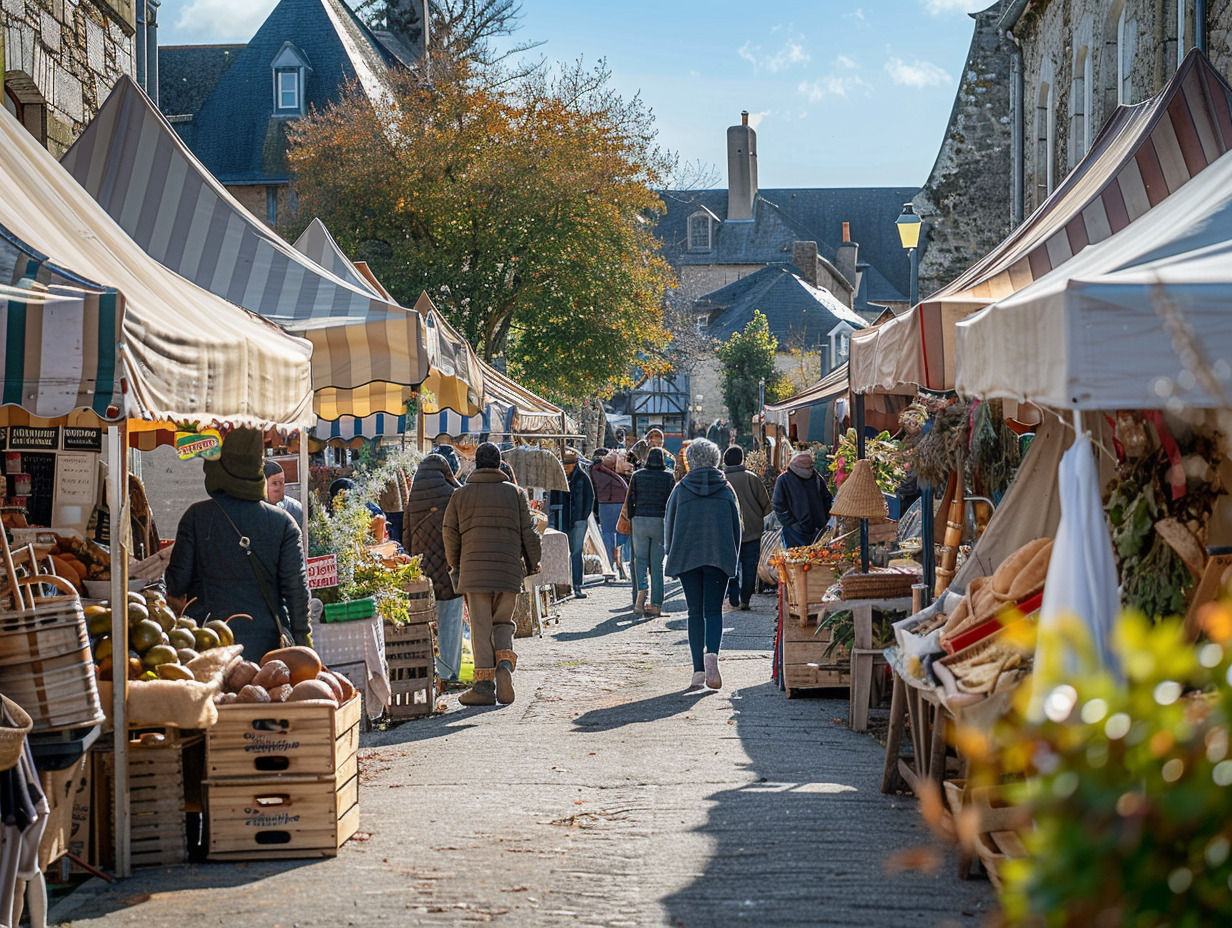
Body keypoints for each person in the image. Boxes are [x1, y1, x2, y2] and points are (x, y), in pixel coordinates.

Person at [166, 428, 310, 660]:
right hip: (267, 647)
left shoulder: (195, 516)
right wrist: (303, 640)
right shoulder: (284, 523)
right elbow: (296, 591)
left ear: (219, 467)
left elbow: (176, 583)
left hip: (206, 642)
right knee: (261, 695)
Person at [442, 442, 541, 706]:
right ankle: (505, 666)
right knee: (503, 623)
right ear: (499, 465)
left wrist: (456, 567)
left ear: (476, 464)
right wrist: (532, 563)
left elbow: (449, 535)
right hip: (508, 570)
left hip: (474, 572)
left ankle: (484, 685)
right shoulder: (516, 493)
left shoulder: (460, 495)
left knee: (481, 627)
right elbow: (528, 533)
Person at [664, 439, 741, 690]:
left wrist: (670, 552)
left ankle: (698, 671)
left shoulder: (680, 488)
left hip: (688, 556)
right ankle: (712, 657)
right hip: (718, 555)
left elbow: (670, 523)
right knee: (713, 610)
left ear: (690, 460)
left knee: (694, 611)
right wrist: (734, 556)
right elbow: (736, 525)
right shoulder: (726, 488)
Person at [403, 453, 464, 684]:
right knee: (450, 621)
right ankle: (450, 673)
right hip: (449, 569)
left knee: (428, 623)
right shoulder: (453, 496)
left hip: (424, 572)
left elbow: (407, 538)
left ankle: (432, 674)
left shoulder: (413, 500)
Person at [626, 447, 674, 617]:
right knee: (657, 565)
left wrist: (633, 519)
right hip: (659, 522)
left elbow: (630, 499)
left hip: (639, 520)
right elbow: (671, 502)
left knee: (639, 560)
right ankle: (656, 605)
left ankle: (641, 595)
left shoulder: (637, 475)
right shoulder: (669, 476)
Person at [723, 446, 772, 611]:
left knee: (731, 565)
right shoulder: (752, 478)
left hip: (728, 531)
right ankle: (745, 599)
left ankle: (733, 595)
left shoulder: (721, 481)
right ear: (741, 460)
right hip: (753, 530)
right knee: (750, 566)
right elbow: (766, 506)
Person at [772, 450, 833, 549]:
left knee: (801, 560)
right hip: (800, 531)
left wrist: (824, 520)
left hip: (811, 530)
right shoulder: (784, 479)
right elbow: (778, 505)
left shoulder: (815, 477)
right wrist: (792, 524)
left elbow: (827, 499)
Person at [562, 447, 595, 598]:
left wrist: (582, 516)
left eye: (567, 466)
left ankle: (577, 585)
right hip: (564, 519)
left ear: (574, 464)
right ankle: (565, 585)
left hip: (578, 520)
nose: (566, 468)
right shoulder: (562, 477)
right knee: (564, 553)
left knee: (576, 552)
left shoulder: (582, 477)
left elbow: (590, 499)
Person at [591, 449, 629, 578]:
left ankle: (610, 564)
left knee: (608, 535)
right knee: (620, 535)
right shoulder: (617, 472)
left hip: (604, 504)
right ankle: (621, 564)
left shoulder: (595, 471)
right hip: (618, 503)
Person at [264, 461, 304, 535]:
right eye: (275, 483)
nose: (280, 488)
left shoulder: (293, 508)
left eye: (282, 483)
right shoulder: (251, 510)